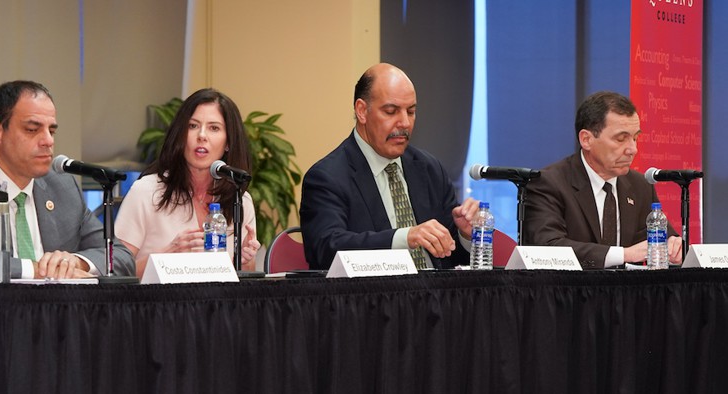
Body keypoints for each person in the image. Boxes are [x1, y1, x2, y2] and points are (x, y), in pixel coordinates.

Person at [0, 80, 135, 280]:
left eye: (52, 130)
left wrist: (77, 262)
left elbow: (121, 257)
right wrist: (34, 268)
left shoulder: (63, 187)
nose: (48, 141)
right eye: (32, 129)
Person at [300, 63, 479, 270]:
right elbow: (326, 249)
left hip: (435, 297)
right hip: (372, 299)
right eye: (391, 111)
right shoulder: (327, 177)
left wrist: (465, 235)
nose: (404, 122)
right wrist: (404, 238)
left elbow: (452, 258)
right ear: (362, 111)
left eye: (411, 111)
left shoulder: (430, 170)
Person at [523, 91, 682, 269]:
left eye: (635, 138)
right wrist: (625, 254)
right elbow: (547, 247)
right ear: (586, 140)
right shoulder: (549, 183)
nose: (633, 149)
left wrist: (674, 248)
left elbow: (664, 239)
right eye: (621, 139)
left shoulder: (640, 185)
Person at [115, 88, 261, 277]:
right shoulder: (146, 191)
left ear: (228, 143)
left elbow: (243, 282)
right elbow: (116, 273)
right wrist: (167, 256)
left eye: (214, 128)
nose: (201, 135)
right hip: (155, 304)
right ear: (181, 135)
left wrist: (245, 259)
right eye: (192, 126)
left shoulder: (240, 200)